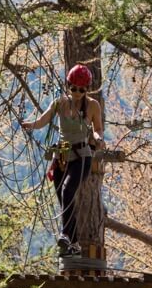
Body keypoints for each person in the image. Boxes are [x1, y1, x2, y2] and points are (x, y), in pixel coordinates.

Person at [22, 64, 105, 256]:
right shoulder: (60, 103)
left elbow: (98, 128)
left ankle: (65, 235)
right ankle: (73, 244)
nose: (77, 93)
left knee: (68, 190)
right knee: (63, 198)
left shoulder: (92, 105)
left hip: (82, 157)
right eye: (73, 88)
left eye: (81, 89)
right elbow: (44, 120)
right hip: (61, 157)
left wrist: (98, 138)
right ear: (68, 85)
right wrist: (30, 125)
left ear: (87, 89)